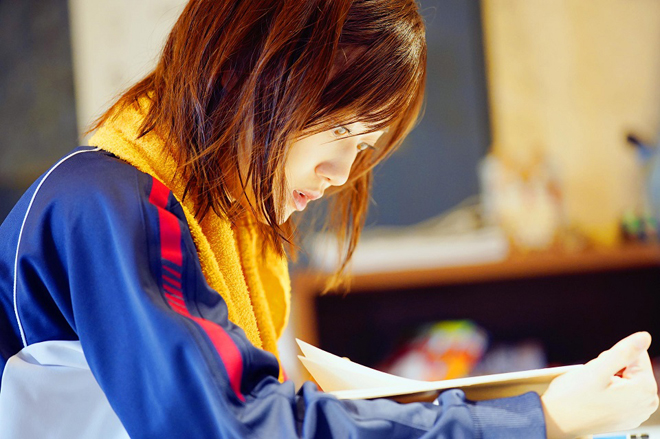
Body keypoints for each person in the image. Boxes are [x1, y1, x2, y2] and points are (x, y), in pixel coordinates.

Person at [0, 0, 657, 438]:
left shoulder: (204, 212)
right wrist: (539, 419)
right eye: (340, 130)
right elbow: (238, 424)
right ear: (249, 71)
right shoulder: (110, 204)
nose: (342, 173)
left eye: (363, 146)